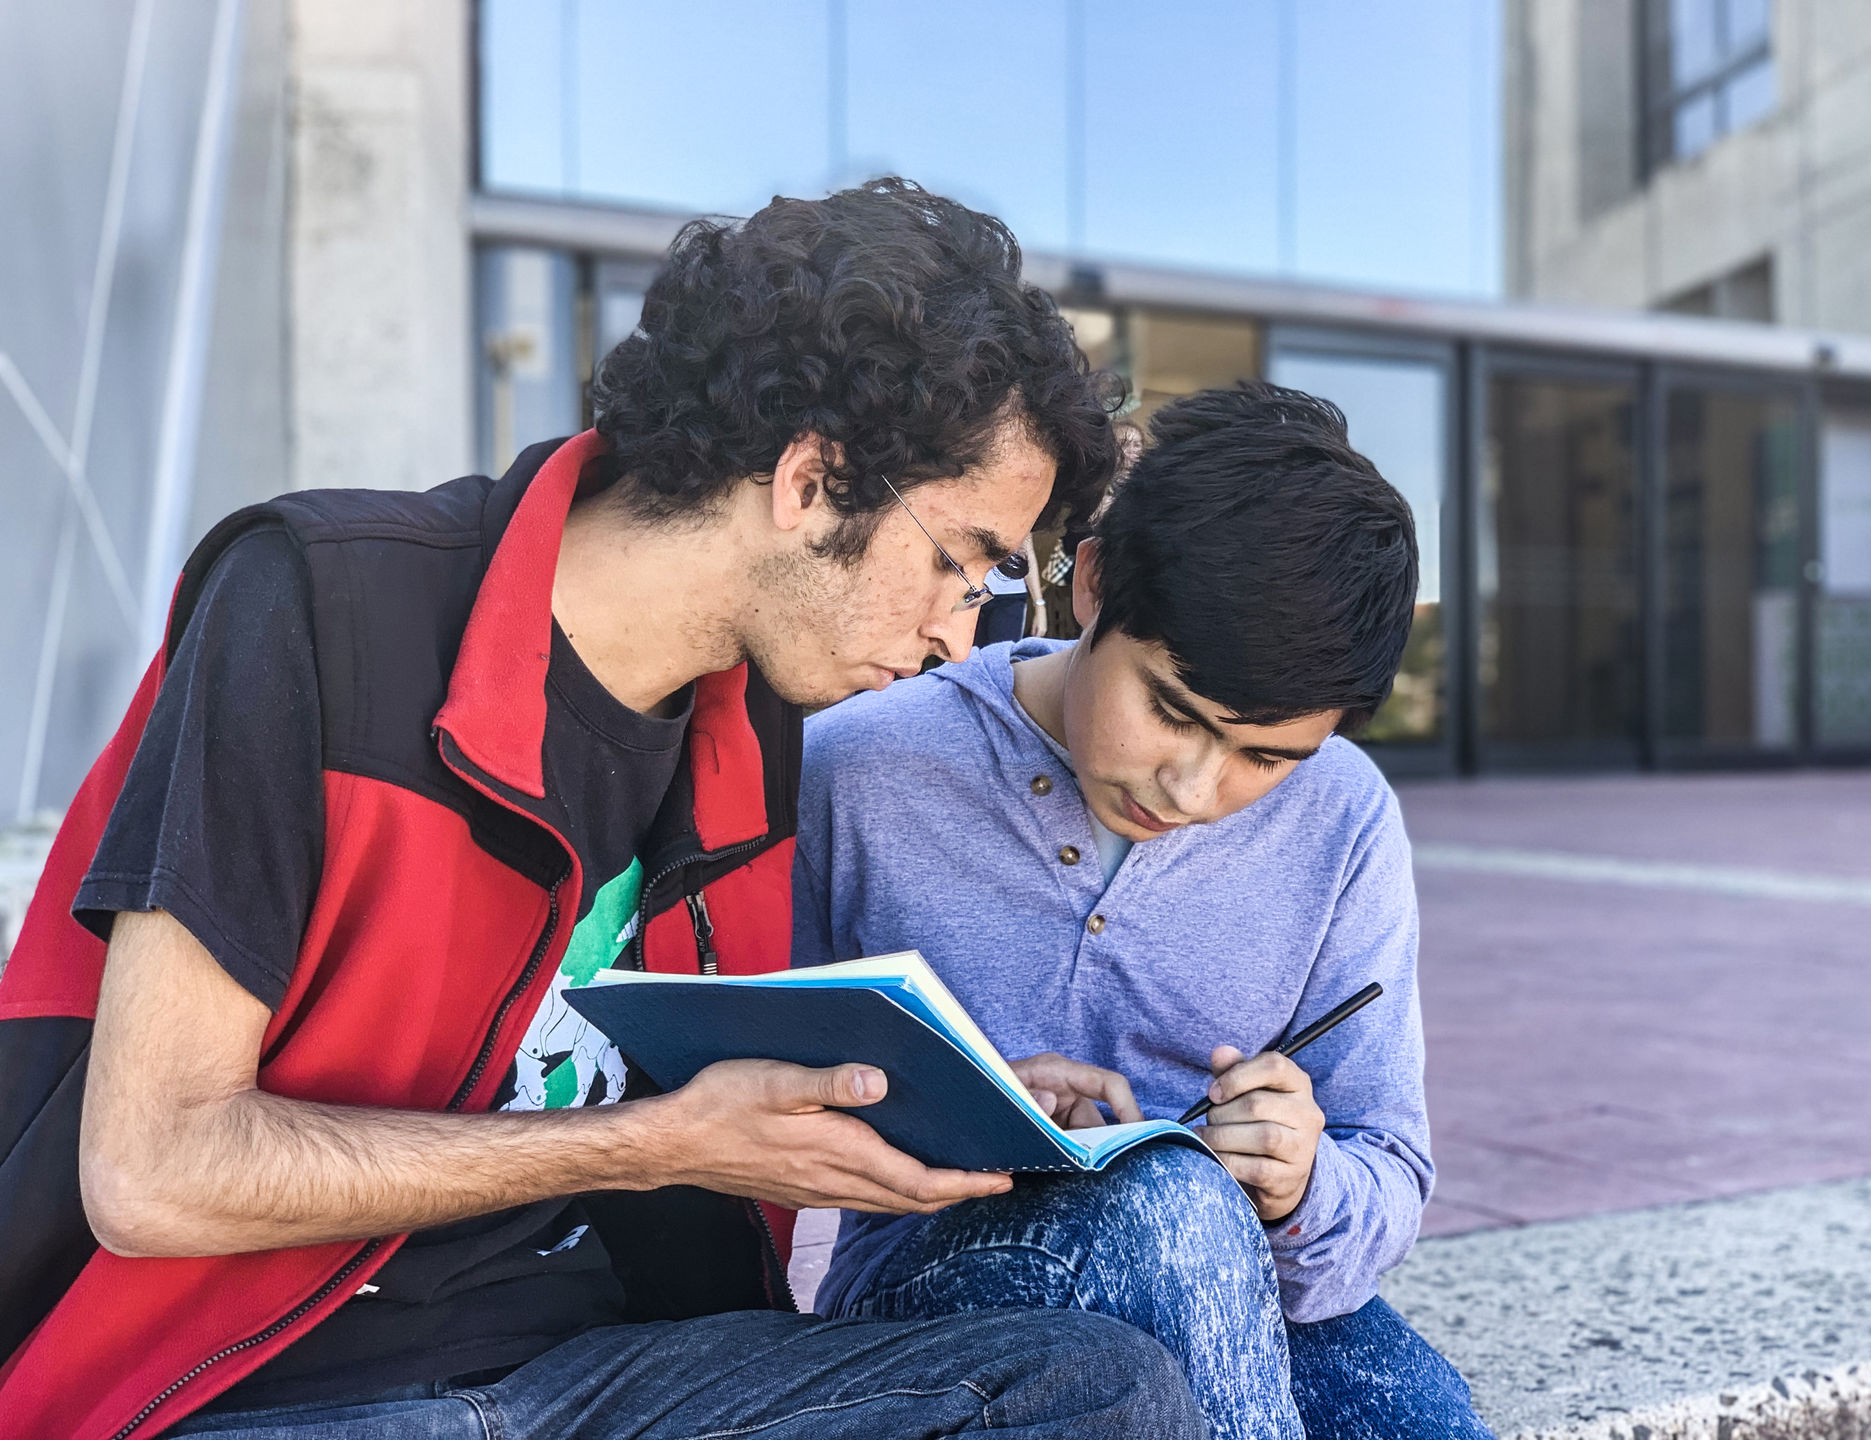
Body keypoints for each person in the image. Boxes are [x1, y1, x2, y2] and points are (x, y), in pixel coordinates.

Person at [0, 180, 1211, 1440]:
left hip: (598, 1375)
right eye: (962, 560)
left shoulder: (760, 730)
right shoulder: (316, 609)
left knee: (1090, 1392)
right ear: (810, 481)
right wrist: (654, 1143)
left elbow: (681, 1080)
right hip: (257, 1384)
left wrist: (933, 1101)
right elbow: (151, 1171)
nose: (960, 632)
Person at [793, 382, 1497, 1440]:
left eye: (1265, 757)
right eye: (1171, 711)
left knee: (1420, 1416)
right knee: (1170, 1207)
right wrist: (957, 1106)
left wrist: (1300, 1181)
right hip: (936, 1293)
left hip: (1238, 1287)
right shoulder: (864, 766)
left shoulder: (1342, 816)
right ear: (1094, 584)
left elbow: (1388, 1164)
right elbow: (735, 1088)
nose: (1193, 788)